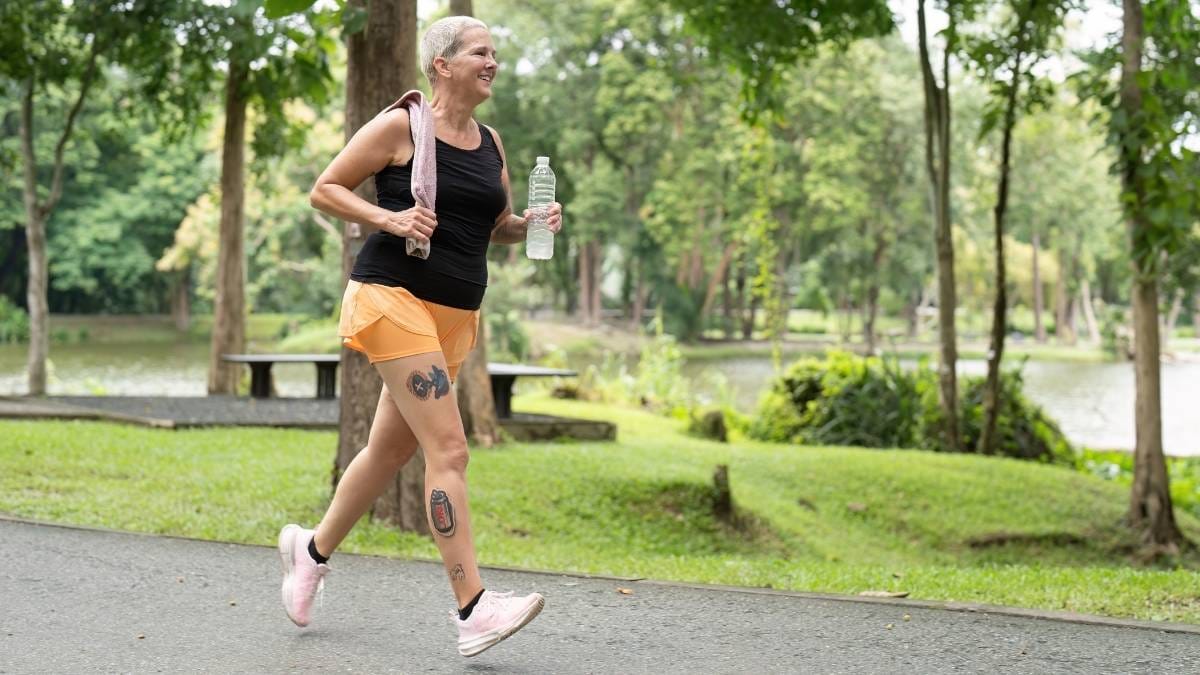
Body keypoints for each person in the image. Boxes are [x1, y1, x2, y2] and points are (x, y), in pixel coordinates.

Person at [276, 15, 562, 658]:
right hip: (391, 298)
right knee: (449, 450)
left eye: (494, 52)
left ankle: (309, 552)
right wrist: (391, 217)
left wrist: (529, 223)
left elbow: (493, 226)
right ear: (442, 64)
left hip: (453, 316)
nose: (492, 62)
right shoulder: (401, 127)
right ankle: (473, 608)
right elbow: (325, 190)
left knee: (388, 452)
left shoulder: (491, 143)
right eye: (480, 52)